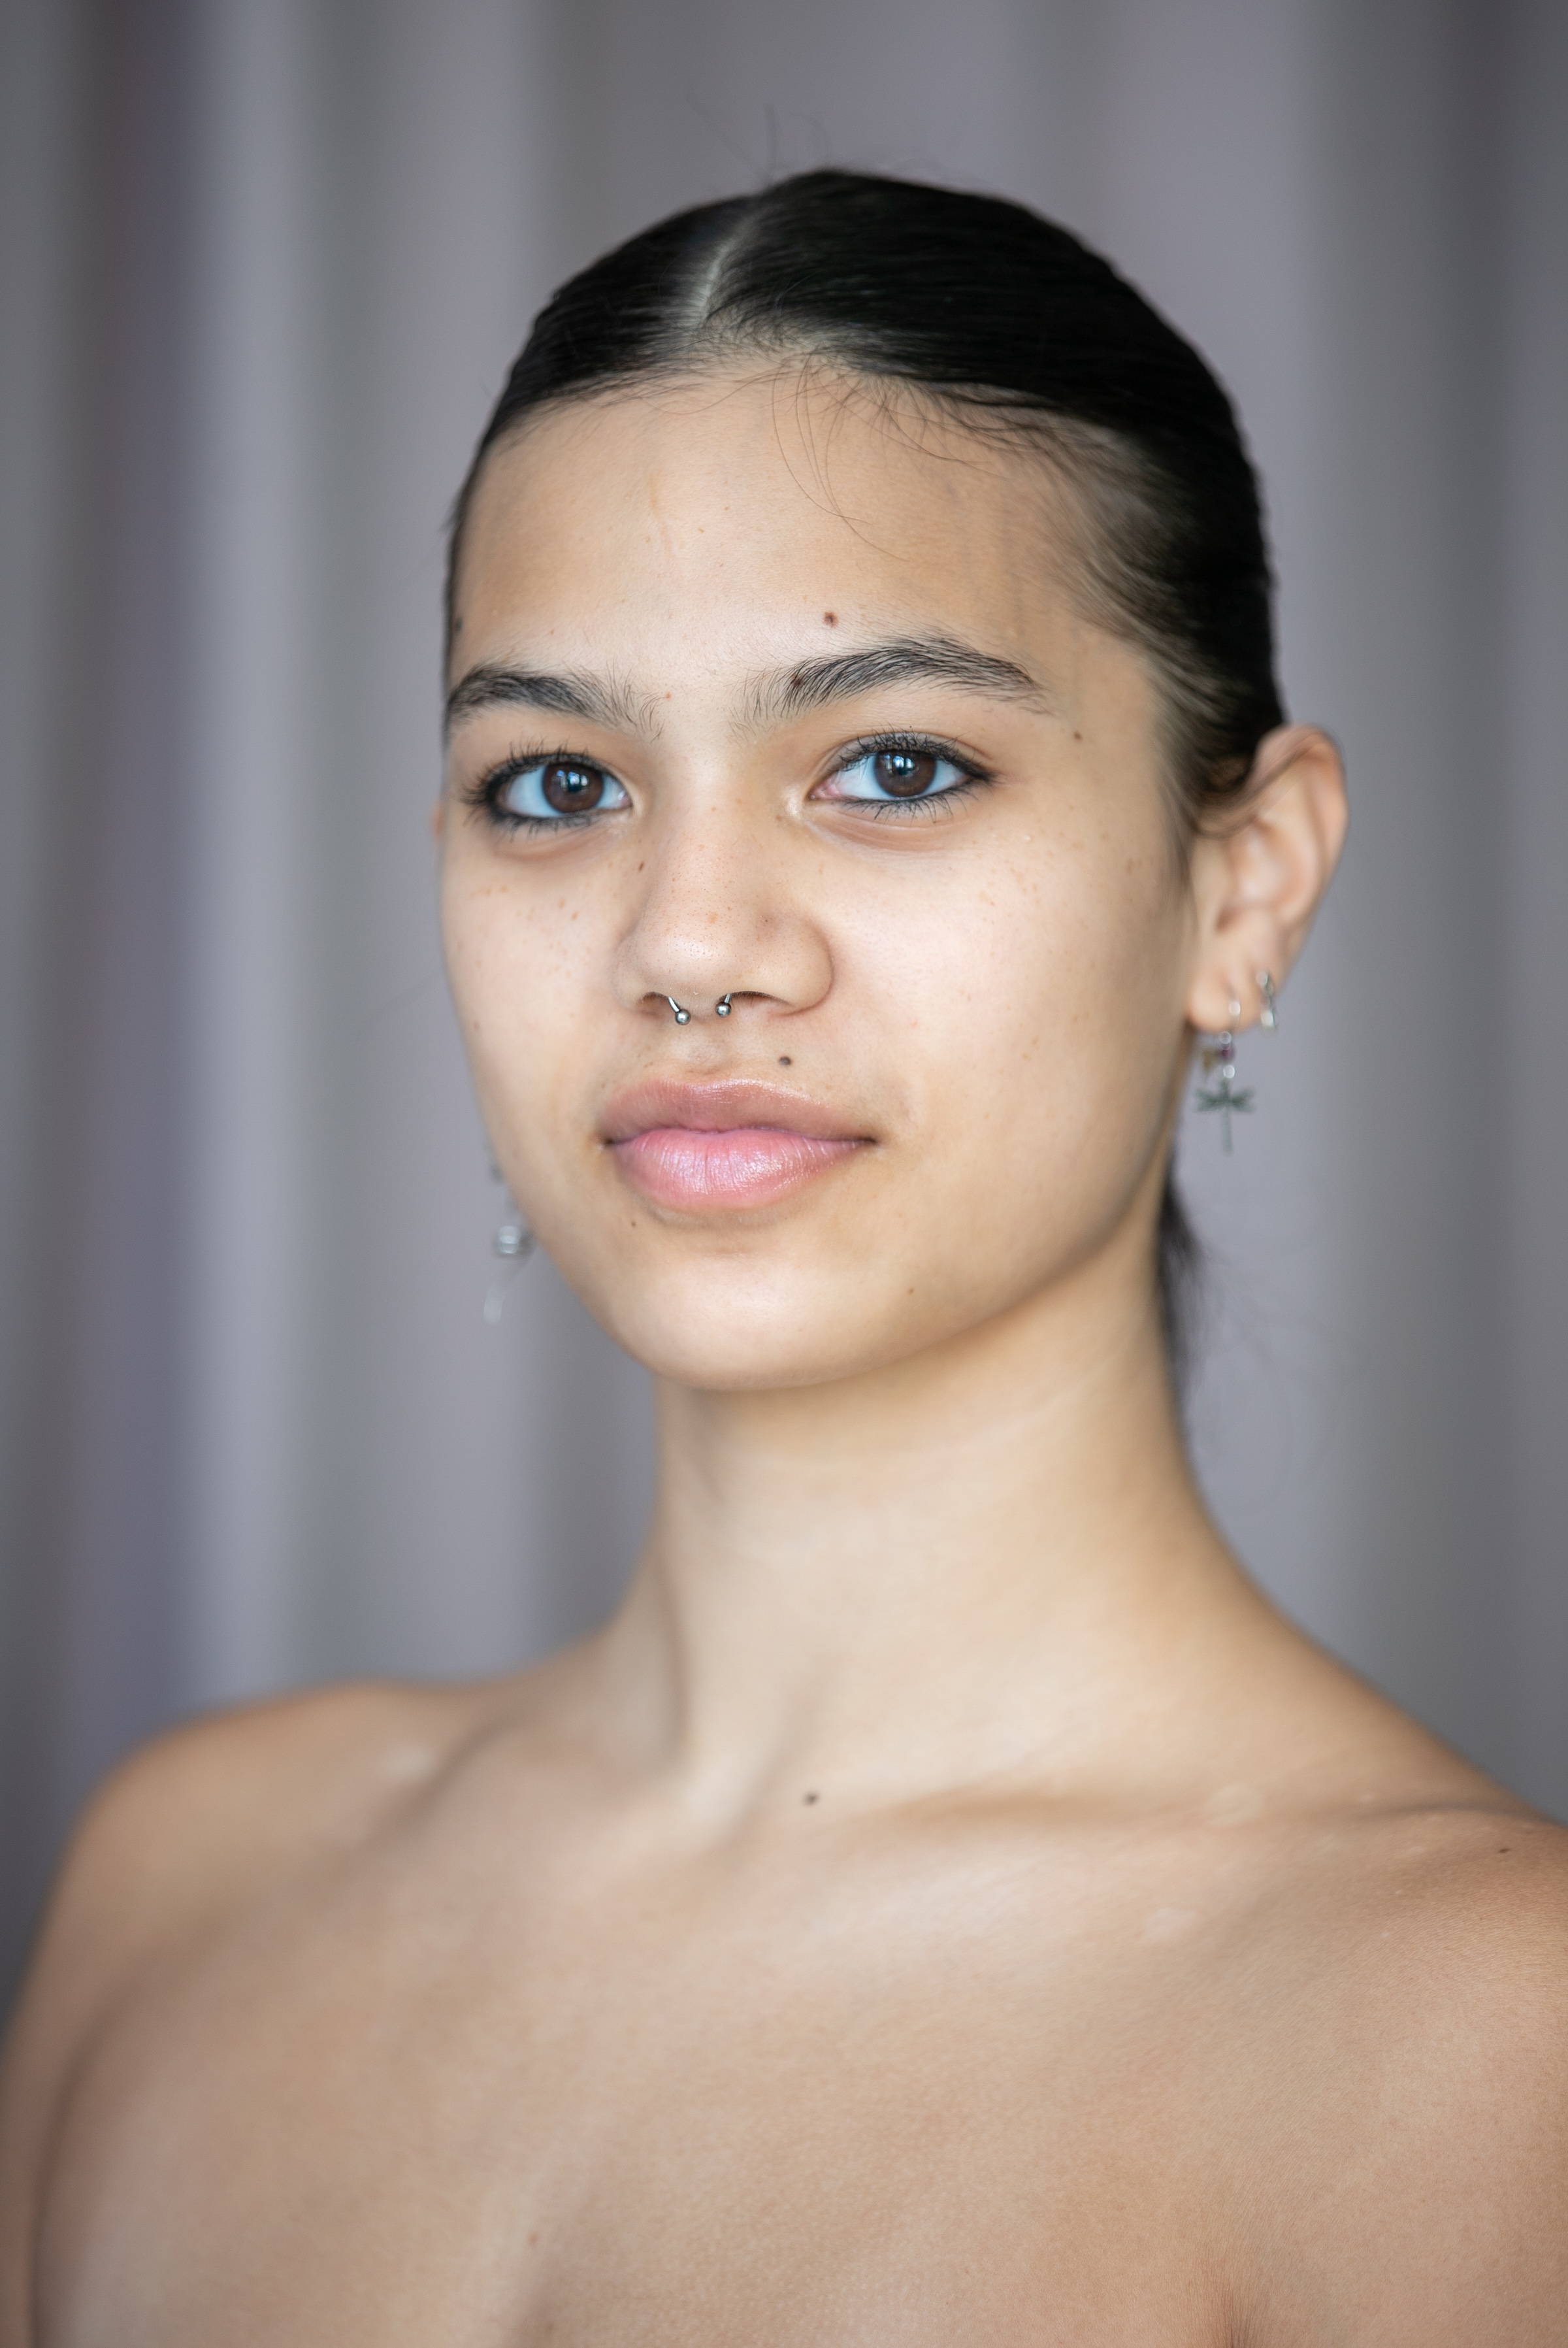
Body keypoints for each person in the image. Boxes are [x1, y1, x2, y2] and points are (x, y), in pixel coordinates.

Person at [1, 170, 1563, 2343]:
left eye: (894, 764)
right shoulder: (181, 1884)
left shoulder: (1485, 2053)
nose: (688, 941)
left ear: (1244, 885)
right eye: (557, 786)